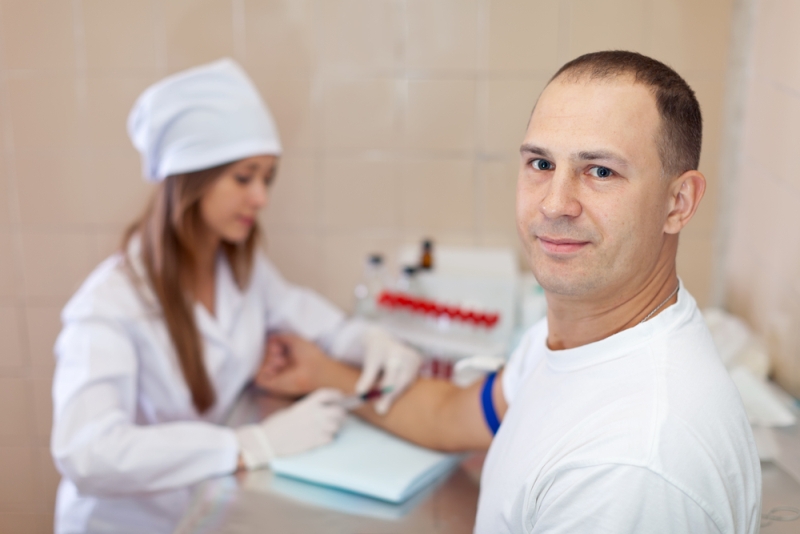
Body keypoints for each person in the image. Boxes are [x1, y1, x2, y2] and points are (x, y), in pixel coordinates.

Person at [257, 51, 762, 533]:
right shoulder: (572, 338)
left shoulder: (631, 466)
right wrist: (322, 373)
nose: (556, 203)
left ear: (679, 201)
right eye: (541, 164)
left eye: (601, 171)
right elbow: (449, 416)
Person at [49, 58, 421, 533]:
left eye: (267, 178)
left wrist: (368, 340)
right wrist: (250, 445)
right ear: (192, 179)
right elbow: (86, 452)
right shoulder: (108, 305)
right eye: (244, 178)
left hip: (202, 509)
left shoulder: (239, 268)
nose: (261, 198)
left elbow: (315, 321)